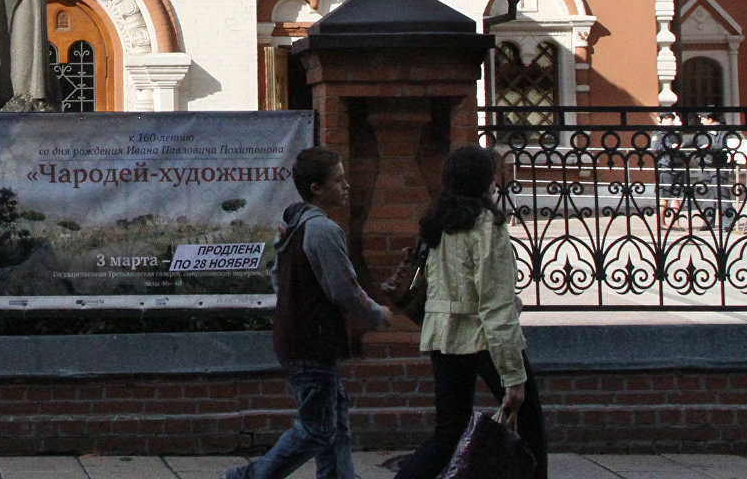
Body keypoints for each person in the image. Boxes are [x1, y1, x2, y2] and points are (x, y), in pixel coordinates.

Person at [228, 147, 390, 479]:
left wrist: (294, 302)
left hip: (298, 336)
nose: (346, 187)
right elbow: (343, 287)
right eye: (339, 180)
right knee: (317, 428)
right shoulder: (322, 230)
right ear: (316, 187)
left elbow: (276, 276)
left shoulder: (292, 226)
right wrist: (376, 313)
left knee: (334, 416)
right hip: (311, 341)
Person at [392, 145, 547, 479]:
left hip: (444, 337)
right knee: (530, 428)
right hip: (484, 337)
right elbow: (494, 305)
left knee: (448, 432)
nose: (495, 179)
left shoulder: (438, 223)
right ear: (482, 179)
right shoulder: (487, 225)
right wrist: (513, 376)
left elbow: (446, 285)